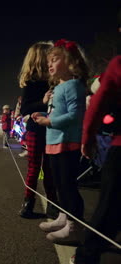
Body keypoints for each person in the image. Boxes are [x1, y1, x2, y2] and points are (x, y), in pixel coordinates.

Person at [32, 38, 89, 244]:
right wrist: (40, 114)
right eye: (50, 61)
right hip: (53, 143)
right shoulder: (57, 88)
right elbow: (55, 112)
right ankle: (64, 218)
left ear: (71, 62)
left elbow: (75, 115)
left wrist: (48, 121)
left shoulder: (74, 85)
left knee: (68, 185)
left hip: (67, 143)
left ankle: (75, 226)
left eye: (55, 59)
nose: (50, 64)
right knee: (58, 184)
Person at [74, 56, 121, 264]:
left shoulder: (118, 64)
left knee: (108, 211)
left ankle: (86, 257)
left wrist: (87, 138)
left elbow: (97, 103)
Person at [17, 42, 58, 219]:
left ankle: (52, 204)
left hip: (51, 127)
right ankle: (28, 204)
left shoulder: (53, 79)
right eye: (49, 55)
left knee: (50, 168)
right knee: (34, 167)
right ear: (40, 58)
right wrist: (43, 101)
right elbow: (25, 108)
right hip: (35, 129)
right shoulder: (31, 82)